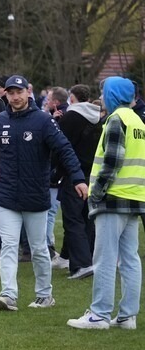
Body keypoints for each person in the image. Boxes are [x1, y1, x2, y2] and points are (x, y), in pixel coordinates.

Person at [0, 75, 87, 311]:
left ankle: (45, 295)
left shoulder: (43, 121)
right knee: (8, 245)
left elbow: (64, 149)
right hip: (6, 195)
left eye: (19, 92)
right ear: (5, 94)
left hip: (35, 195)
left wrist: (78, 178)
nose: (15, 97)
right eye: (11, 93)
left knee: (38, 249)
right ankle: (8, 295)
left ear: (28, 92)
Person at [67, 76, 144, 330]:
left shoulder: (116, 119)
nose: (101, 97)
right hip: (134, 197)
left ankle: (99, 314)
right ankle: (127, 316)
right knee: (130, 259)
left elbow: (112, 161)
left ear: (112, 94)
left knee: (105, 258)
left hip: (112, 199)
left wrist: (96, 192)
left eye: (103, 93)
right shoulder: (138, 121)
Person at [55, 84, 102, 280]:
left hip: (74, 175)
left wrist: (55, 173)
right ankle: (86, 259)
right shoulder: (98, 118)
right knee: (87, 219)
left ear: (72, 98)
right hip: (93, 174)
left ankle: (81, 264)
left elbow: (61, 147)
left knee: (73, 220)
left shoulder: (70, 118)